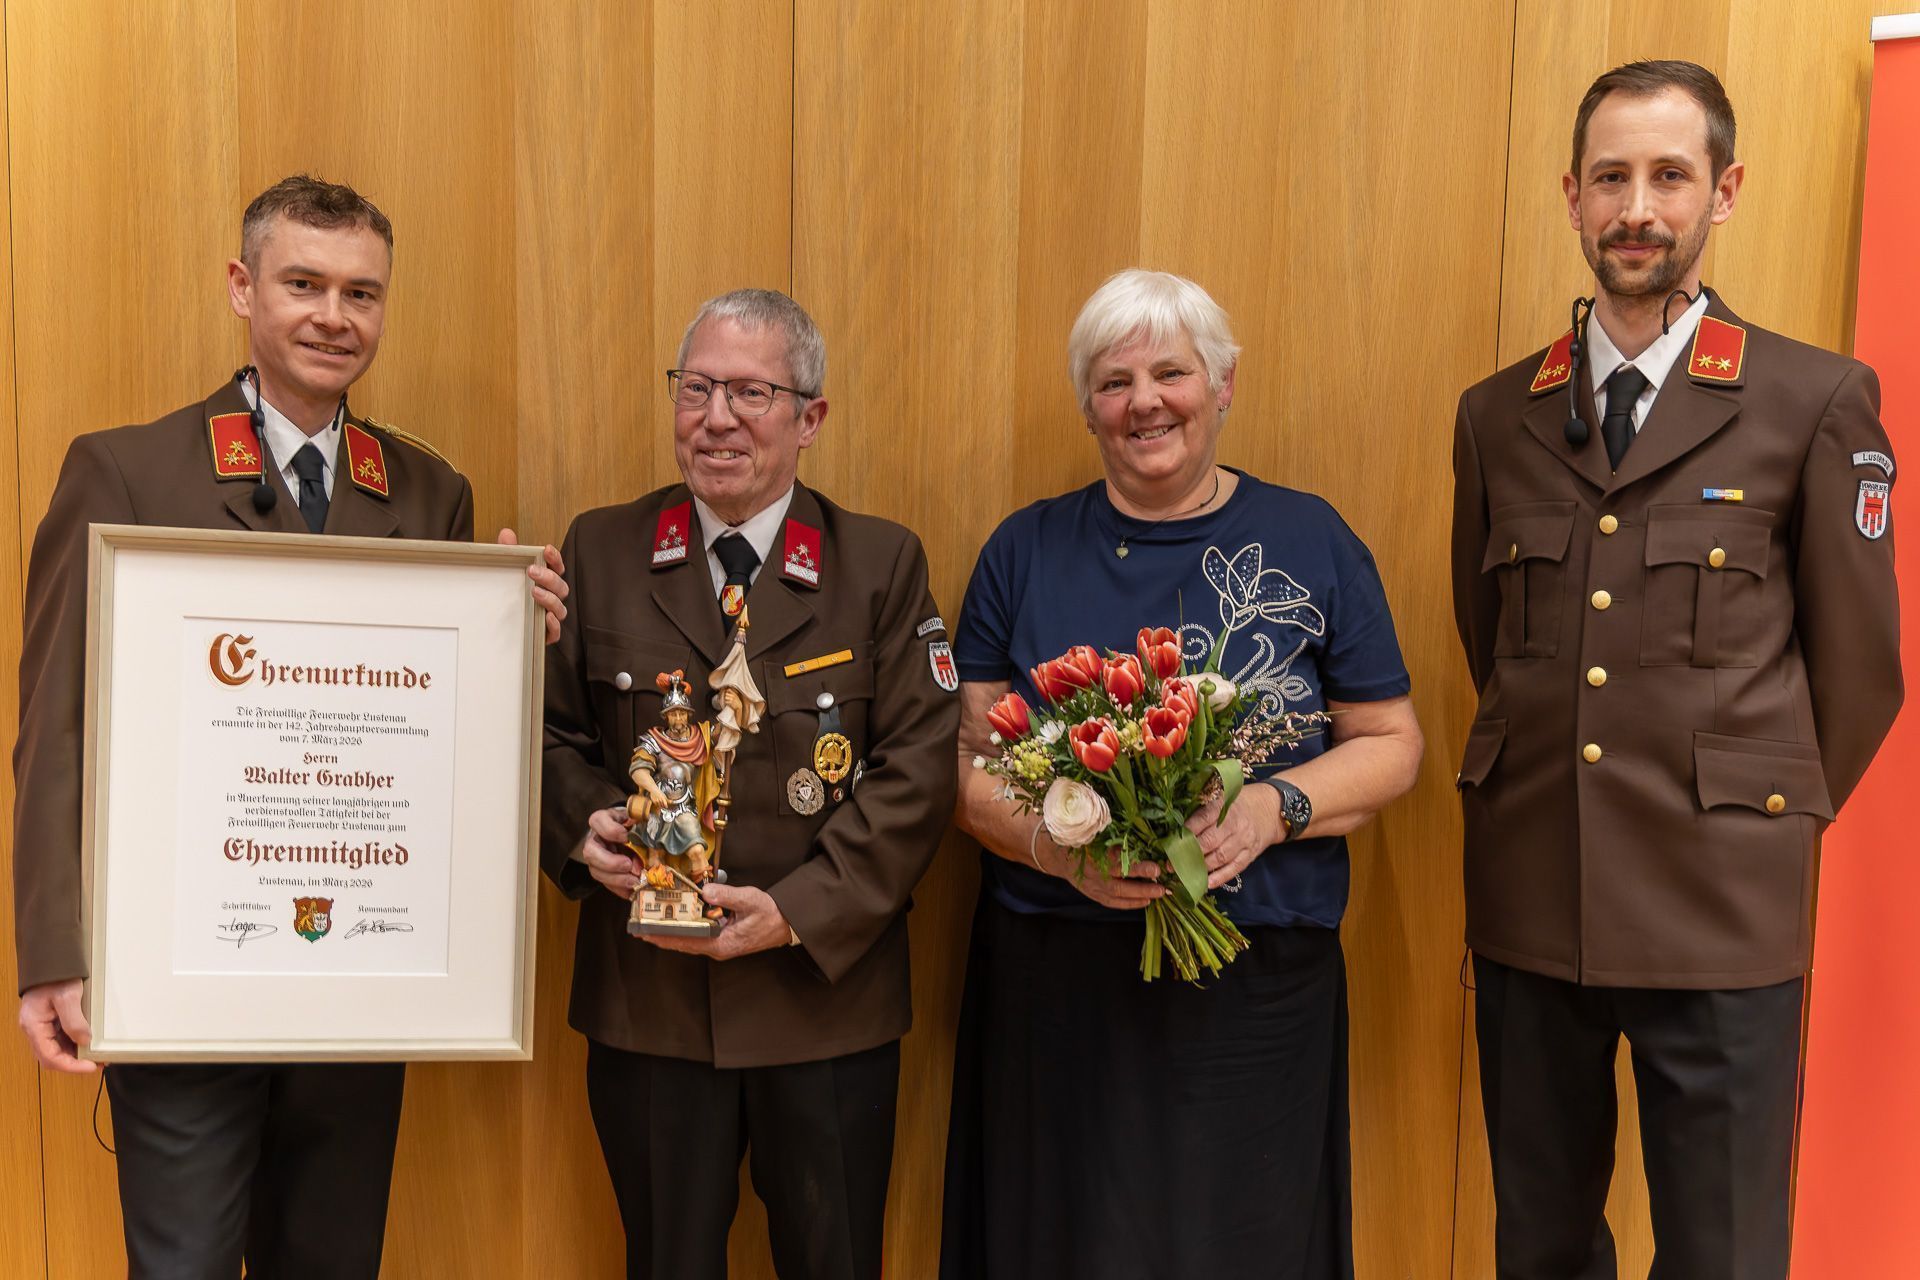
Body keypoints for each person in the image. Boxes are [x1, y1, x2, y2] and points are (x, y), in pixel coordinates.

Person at [11, 174, 568, 1278]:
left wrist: (514, 638)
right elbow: (53, 729)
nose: (333, 315)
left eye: (361, 292)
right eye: (303, 283)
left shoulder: (427, 490)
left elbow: (434, 738)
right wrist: (54, 954)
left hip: (353, 977)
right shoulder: (128, 468)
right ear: (241, 288)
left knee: (332, 1260)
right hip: (178, 974)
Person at [1450, 60, 1902, 1279]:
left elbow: (1861, 675)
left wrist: (1753, 818)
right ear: (1573, 196)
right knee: (1540, 1243)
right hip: (1538, 891)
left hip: (1722, 907)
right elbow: (1489, 635)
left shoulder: (1812, 399)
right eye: (1611, 178)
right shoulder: (1500, 415)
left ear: (1726, 189)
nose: (1637, 208)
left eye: (1668, 176)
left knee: (1724, 1252)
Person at [939, 269, 1424, 1279]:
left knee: (1241, 1241)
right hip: (1055, 974)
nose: (1144, 400)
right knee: (1060, 1242)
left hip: (1254, 975)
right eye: (1115, 381)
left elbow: (1392, 742)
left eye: (1172, 371)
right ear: (1088, 406)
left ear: (1224, 384)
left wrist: (1274, 805)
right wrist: (1060, 851)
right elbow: (970, 766)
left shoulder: (1313, 539)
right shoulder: (1021, 551)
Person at [541, 287, 959, 1280]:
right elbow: (551, 735)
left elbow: (918, 768)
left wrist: (796, 911)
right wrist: (582, 824)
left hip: (823, 997)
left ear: (809, 416)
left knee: (835, 1259)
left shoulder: (877, 563)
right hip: (651, 1000)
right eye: (696, 388)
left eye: (751, 392)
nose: (717, 418)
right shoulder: (601, 548)